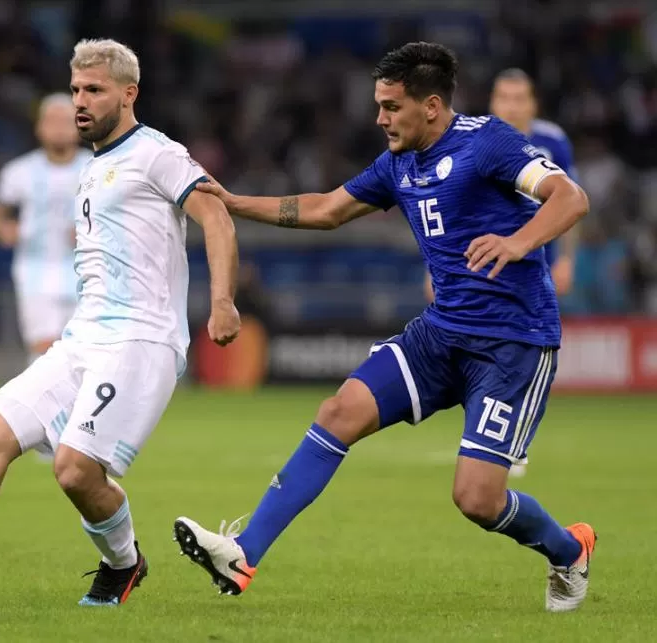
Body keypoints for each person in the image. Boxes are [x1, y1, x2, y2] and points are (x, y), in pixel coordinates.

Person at [173, 42, 596, 613]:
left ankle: (569, 550)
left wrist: (518, 242)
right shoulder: (398, 162)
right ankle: (243, 554)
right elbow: (326, 209)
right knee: (338, 411)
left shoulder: (487, 141)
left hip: (512, 344)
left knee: (476, 499)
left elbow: (570, 197)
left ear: (432, 105)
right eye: (378, 105)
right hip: (441, 334)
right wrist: (231, 201)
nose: (380, 118)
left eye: (392, 106)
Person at [0, 38, 241, 607]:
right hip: (83, 337)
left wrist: (223, 301)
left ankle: (124, 563)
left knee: (75, 472)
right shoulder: (95, 165)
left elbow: (216, 215)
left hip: (139, 341)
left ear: (129, 94)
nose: (80, 101)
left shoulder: (157, 152)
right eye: (77, 89)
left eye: (94, 91)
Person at [423, 68, 581, 477]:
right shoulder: (474, 138)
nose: (510, 106)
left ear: (533, 104)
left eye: (518, 98)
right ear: (493, 102)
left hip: (529, 262)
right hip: (477, 261)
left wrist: (566, 258)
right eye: (503, 98)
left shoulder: (552, 141)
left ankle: (507, 439)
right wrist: (434, 269)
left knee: (519, 344)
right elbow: (443, 209)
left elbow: (569, 199)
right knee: (473, 340)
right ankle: (487, 437)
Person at [0, 93, 92, 365]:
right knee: (43, 348)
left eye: (65, 121)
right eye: (51, 120)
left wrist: (94, 231)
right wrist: (4, 229)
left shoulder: (96, 168)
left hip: (87, 272)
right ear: (39, 128)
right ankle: (44, 407)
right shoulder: (19, 171)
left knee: (81, 350)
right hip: (35, 270)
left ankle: (79, 407)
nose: (58, 127)